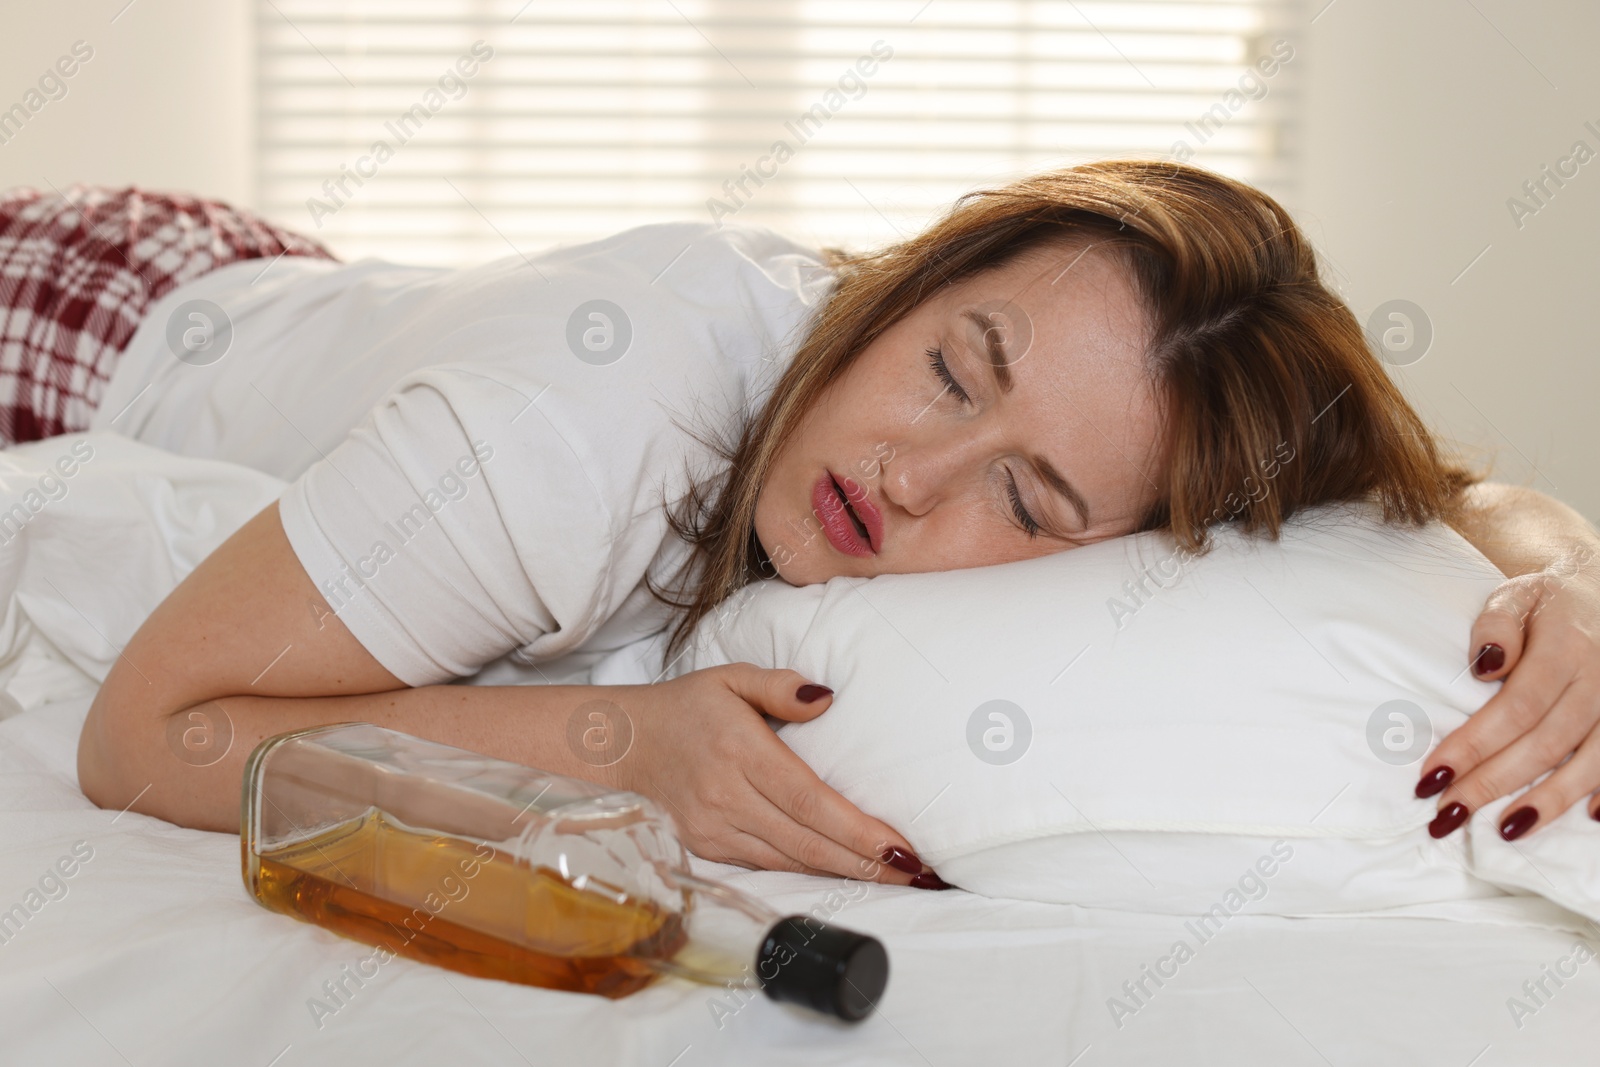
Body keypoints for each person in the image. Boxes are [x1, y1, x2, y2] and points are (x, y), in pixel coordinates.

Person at [38, 162, 1600, 890]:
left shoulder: (1086, 463)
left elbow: (1449, 495)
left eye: (1031, 497)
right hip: (82, 319)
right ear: (908, 279)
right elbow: (141, 738)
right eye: (950, 368)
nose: (917, 474)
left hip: (300, 296)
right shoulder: (585, 432)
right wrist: (611, 748)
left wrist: (1573, 580)